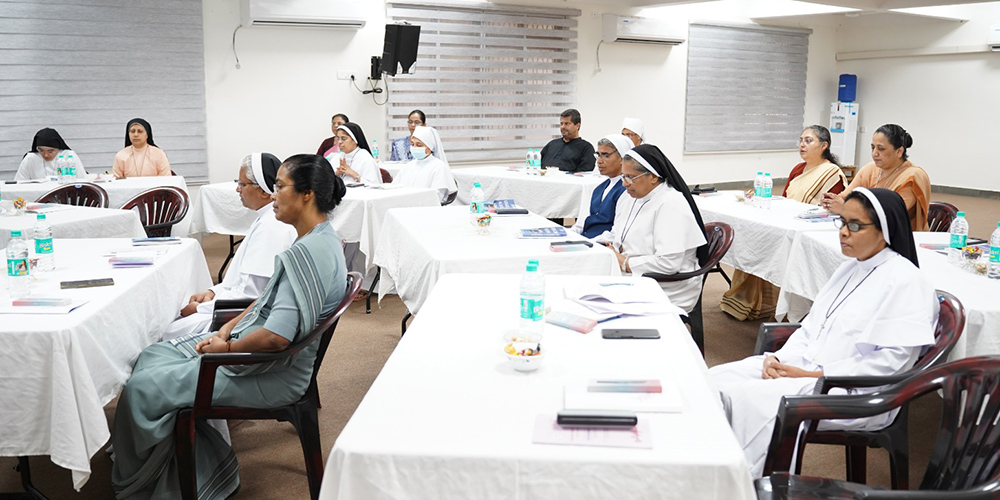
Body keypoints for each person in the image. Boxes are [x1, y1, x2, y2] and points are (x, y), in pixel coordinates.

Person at [111, 154, 348, 500]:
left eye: (280, 186)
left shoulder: (309, 252)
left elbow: (275, 337)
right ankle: (190, 462)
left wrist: (227, 347)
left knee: (142, 388)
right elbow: (267, 298)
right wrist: (228, 327)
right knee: (153, 355)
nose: (273, 194)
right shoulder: (319, 237)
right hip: (256, 351)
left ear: (307, 194)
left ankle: (148, 481)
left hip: (272, 372)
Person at [709, 188, 938, 479]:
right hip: (806, 369)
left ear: (885, 231)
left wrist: (811, 375)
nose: (843, 232)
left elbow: (889, 365)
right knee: (713, 381)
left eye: (855, 225)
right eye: (842, 222)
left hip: (855, 391)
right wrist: (778, 359)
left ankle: (750, 486)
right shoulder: (849, 268)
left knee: (749, 400)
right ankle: (710, 472)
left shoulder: (907, 282)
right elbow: (810, 329)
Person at [162, 153, 298, 340]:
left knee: (166, 331)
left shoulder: (272, 227)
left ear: (264, 191)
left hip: (241, 319)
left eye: (242, 184)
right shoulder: (267, 218)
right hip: (235, 307)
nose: (237, 189)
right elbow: (242, 281)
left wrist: (200, 308)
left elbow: (252, 295)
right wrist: (212, 292)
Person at [720, 125, 847, 321]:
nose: (802, 145)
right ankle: (748, 302)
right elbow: (786, 198)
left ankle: (787, 309)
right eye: (801, 140)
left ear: (824, 145)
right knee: (758, 239)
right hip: (787, 222)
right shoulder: (798, 169)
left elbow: (831, 208)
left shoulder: (831, 173)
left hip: (809, 230)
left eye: (808, 141)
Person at [603, 144, 708, 313]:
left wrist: (625, 263)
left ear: (652, 176)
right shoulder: (632, 196)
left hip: (667, 286)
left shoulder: (670, 204)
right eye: (623, 176)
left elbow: (668, 264)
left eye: (630, 177)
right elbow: (620, 234)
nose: (624, 183)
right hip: (636, 272)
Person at [822, 124, 930, 231]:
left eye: (881, 149)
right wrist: (831, 201)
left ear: (899, 152)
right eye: (873, 147)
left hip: (898, 236)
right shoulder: (870, 169)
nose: (874, 153)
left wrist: (846, 209)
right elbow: (845, 197)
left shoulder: (912, 176)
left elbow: (889, 216)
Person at [570, 134, 632, 238]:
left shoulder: (627, 190)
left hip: (602, 244)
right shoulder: (598, 188)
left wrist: (591, 242)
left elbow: (616, 233)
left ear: (622, 158)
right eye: (598, 155)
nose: (599, 161)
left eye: (606, 155)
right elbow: (580, 225)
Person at [392, 125, 456, 204]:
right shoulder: (409, 166)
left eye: (419, 145)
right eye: (413, 144)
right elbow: (395, 188)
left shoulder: (439, 167)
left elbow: (436, 197)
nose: (414, 147)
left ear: (429, 147)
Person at [14, 128, 87, 181]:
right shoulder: (30, 158)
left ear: (58, 148)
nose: (45, 155)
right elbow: (19, 182)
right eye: (41, 150)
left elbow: (82, 180)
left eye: (50, 151)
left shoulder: (68, 156)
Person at [539, 109, 595, 173]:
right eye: (561, 124)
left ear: (578, 126)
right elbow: (538, 164)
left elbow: (584, 173)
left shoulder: (586, 148)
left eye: (567, 124)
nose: (563, 127)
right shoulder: (552, 144)